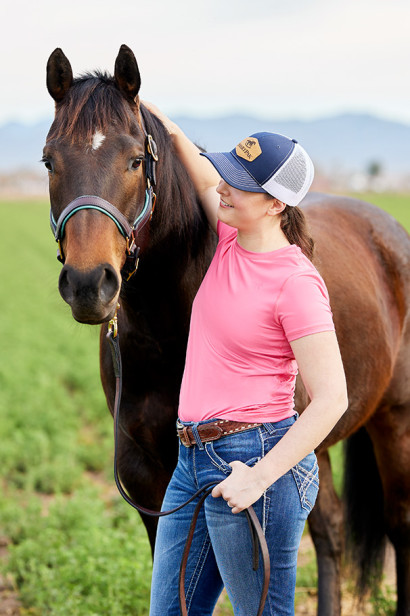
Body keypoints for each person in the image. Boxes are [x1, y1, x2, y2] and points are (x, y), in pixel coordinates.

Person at [145, 102, 348, 616]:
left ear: (276, 204)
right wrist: (143, 108)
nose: (222, 188)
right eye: (227, 176)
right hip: (191, 461)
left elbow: (332, 399)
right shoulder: (232, 237)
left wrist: (259, 477)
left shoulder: (296, 284)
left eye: (239, 183)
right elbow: (188, 156)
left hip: (253, 462)